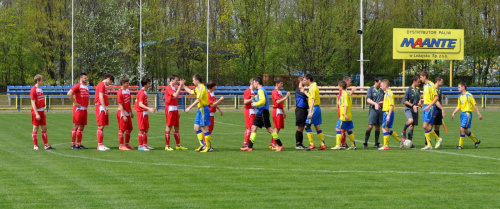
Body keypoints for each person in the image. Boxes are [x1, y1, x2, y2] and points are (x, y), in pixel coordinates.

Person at [241, 77, 284, 152]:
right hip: (260, 112)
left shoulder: (261, 90)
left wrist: (255, 104)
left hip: (263, 112)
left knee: (270, 130)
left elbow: (263, 101)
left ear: (257, 82)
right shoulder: (260, 90)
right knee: (253, 128)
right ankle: (249, 147)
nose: (253, 83)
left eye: (254, 82)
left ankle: (280, 145)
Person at [184, 74, 212, 153]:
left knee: (204, 128)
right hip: (200, 109)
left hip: (203, 109)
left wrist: (189, 107)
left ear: (197, 80)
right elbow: (190, 91)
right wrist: (183, 85)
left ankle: (208, 147)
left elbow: (198, 100)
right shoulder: (197, 88)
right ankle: (202, 145)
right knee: (196, 127)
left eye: (193, 80)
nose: (192, 82)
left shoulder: (202, 88)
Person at [451, 82, 482, 149]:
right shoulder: (460, 97)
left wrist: (479, 114)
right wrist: (454, 113)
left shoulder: (469, 95)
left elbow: (475, 105)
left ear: (463, 87)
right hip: (462, 114)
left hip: (467, 114)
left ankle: (460, 146)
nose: (458, 88)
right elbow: (459, 107)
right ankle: (476, 141)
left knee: (461, 129)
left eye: (459, 87)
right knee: (465, 131)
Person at [164, 74, 188, 151]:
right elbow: (175, 95)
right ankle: (167, 146)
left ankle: (178, 145)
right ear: (172, 80)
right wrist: (180, 86)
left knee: (177, 126)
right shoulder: (168, 87)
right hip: (170, 109)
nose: (177, 81)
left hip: (175, 109)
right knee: (169, 126)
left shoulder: (174, 88)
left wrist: (177, 111)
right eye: (176, 80)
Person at [378, 79, 404, 150]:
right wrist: (383, 102)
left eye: (382, 86)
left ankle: (386, 146)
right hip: (389, 112)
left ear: (386, 86)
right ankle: (400, 140)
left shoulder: (389, 93)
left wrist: (388, 115)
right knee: (388, 130)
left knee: (384, 128)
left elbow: (391, 105)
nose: (381, 87)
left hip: (387, 113)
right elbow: (389, 103)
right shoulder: (387, 93)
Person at [303, 74, 327, 150]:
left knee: (307, 126)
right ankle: (323, 144)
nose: (304, 81)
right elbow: (311, 97)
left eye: (305, 80)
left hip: (314, 109)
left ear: (308, 80)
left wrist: (310, 112)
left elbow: (313, 100)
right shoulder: (313, 86)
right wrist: (304, 92)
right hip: (317, 108)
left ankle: (311, 144)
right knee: (317, 127)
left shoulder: (312, 88)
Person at [30, 75, 54, 150]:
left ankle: (46, 145)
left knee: (44, 127)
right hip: (36, 111)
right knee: (35, 128)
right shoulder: (33, 90)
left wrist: (42, 111)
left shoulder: (40, 89)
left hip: (41, 111)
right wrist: (36, 113)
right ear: (38, 81)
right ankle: (35, 146)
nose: (43, 81)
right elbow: (33, 102)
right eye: (42, 80)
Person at [419, 71, 442, 150]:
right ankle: (429, 144)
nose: (420, 78)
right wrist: (422, 101)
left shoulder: (431, 85)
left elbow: (436, 98)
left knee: (425, 126)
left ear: (425, 76)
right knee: (426, 127)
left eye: (421, 77)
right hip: (426, 107)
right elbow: (428, 98)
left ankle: (438, 139)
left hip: (430, 108)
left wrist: (429, 105)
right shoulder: (425, 86)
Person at [67, 73, 90, 150]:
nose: (86, 79)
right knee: (76, 126)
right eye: (84, 78)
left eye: (86, 78)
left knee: (82, 126)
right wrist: (75, 103)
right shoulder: (78, 86)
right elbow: (69, 93)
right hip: (78, 109)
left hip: (84, 109)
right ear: (80, 78)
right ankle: (73, 144)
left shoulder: (86, 87)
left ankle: (79, 144)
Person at [333, 81, 356, 150]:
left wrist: (345, 114)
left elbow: (345, 104)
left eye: (338, 86)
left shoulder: (343, 94)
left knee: (337, 128)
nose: (337, 87)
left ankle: (338, 145)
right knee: (349, 130)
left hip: (344, 116)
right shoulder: (348, 94)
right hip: (349, 115)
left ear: (341, 86)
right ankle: (353, 145)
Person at [135, 78, 156, 151]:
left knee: (146, 129)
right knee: (142, 129)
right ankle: (140, 146)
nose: (150, 85)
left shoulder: (145, 92)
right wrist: (149, 108)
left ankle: (145, 145)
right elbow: (140, 104)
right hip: (141, 113)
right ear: (145, 84)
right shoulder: (142, 92)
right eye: (148, 83)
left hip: (144, 112)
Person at [400, 75, 422, 147]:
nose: (419, 83)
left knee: (412, 126)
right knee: (410, 121)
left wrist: (419, 103)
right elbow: (405, 101)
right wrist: (413, 106)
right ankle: (403, 130)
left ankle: (410, 143)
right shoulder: (408, 90)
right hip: (409, 109)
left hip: (415, 109)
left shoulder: (418, 90)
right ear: (414, 81)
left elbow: (418, 100)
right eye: (418, 82)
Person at [94, 74, 114, 151]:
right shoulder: (101, 85)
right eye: (111, 82)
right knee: (101, 125)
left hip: (103, 107)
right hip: (100, 107)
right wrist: (104, 108)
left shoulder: (104, 86)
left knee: (103, 125)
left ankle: (101, 144)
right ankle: (99, 145)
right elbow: (100, 96)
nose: (110, 84)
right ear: (108, 79)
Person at [364, 76, 384, 149]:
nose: (380, 85)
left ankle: (376, 143)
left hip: (380, 110)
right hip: (373, 110)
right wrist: (375, 103)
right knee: (370, 126)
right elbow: (368, 100)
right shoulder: (371, 89)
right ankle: (365, 142)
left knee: (378, 126)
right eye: (379, 83)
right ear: (375, 82)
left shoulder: (382, 90)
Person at [270, 77, 290, 150]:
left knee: (278, 128)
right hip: (276, 111)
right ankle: (273, 144)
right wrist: (286, 97)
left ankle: (273, 143)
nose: (282, 85)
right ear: (277, 84)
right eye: (281, 83)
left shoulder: (279, 92)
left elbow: (280, 103)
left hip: (279, 111)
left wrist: (283, 112)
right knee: (276, 128)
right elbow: (277, 101)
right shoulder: (275, 92)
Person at [339, 76, 357, 148]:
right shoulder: (346, 93)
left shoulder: (344, 93)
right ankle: (352, 144)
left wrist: (344, 113)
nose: (351, 83)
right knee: (347, 129)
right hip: (347, 113)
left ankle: (341, 144)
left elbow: (345, 104)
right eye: (350, 81)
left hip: (344, 113)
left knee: (339, 128)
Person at [117, 77, 134, 151]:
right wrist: (123, 115)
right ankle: (121, 145)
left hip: (127, 112)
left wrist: (131, 112)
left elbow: (128, 102)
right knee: (122, 129)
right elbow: (120, 105)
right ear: (123, 83)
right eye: (127, 83)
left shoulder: (127, 91)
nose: (128, 84)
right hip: (122, 113)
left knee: (129, 128)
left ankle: (127, 144)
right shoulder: (120, 92)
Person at [207, 81, 224, 150]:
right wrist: (220, 100)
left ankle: (208, 145)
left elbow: (214, 103)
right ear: (211, 87)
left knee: (210, 130)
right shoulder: (208, 94)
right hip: (208, 114)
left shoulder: (212, 94)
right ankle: (206, 145)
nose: (215, 87)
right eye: (214, 86)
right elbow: (212, 104)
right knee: (208, 130)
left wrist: (219, 109)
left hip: (212, 114)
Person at [430, 77, 445, 148]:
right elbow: (435, 101)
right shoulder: (433, 89)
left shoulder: (439, 90)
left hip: (439, 110)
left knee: (437, 127)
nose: (443, 83)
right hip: (434, 109)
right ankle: (427, 143)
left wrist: (441, 110)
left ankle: (437, 143)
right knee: (430, 126)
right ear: (438, 81)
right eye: (442, 81)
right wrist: (442, 109)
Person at [241, 78, 256, 149]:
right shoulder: (248, 91)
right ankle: (245, 143)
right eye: (256, 82)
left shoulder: (253, 91)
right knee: (249, 128)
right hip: (249, 111)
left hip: (252, 111)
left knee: (252, 127)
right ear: (252, 83)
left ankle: (248, 143)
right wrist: (253, 98)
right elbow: (245, 101)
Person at [294, 76, 308, 149]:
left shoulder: (302, 89)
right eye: (304, 80)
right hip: (300, 110)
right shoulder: (299, 90)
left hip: (304, 109)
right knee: (300, 127)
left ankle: (300, 144)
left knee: (302, 127)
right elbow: (305, 95)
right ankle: (298, 144)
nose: (306, 82)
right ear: (301, 81)